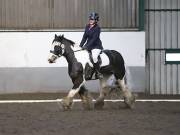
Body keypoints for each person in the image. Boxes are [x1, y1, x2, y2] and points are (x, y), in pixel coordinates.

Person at [80, 12, 103, 79]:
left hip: (96, 46)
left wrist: (86, 46)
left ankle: (98, 73)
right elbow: (84, 37)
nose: (90, 20)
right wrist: (81, 45)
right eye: (90, 19)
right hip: (88, 46)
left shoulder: (97, 28)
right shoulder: (87, 26)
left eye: (92, 19)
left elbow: (94, 39)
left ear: (96, 20)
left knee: (94, 57)